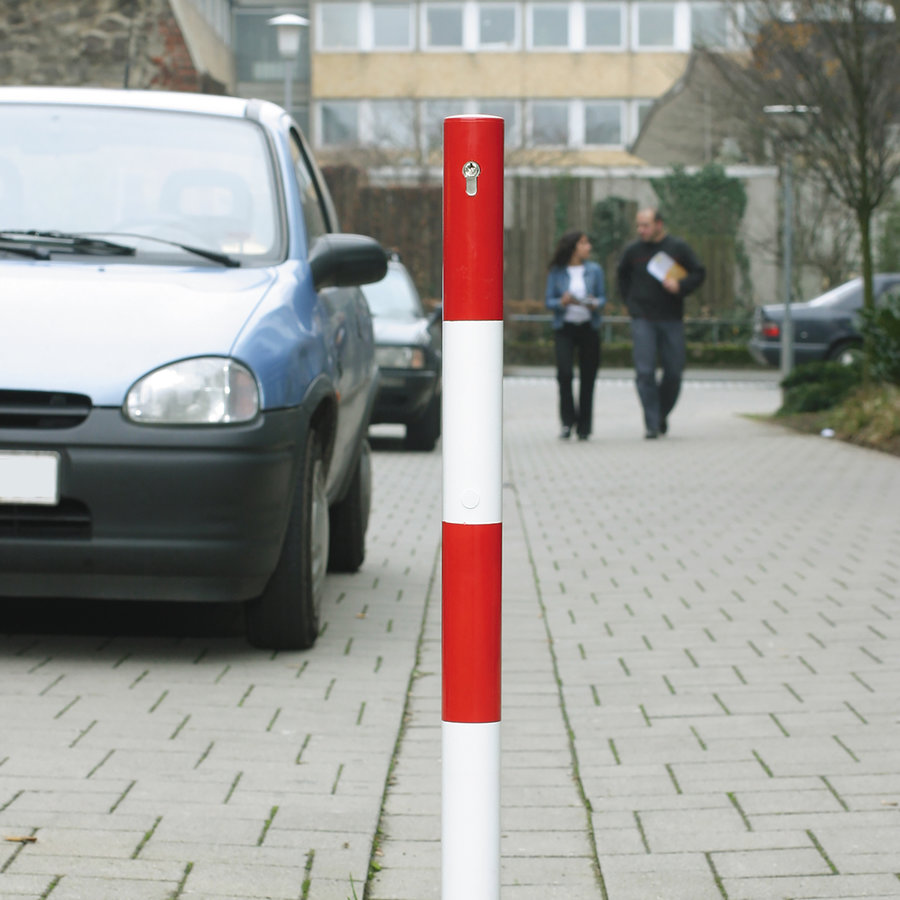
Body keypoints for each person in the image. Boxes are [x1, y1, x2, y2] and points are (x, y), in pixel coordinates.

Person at [616, 208, 705, 439]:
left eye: (645, 225)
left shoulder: (678, 248)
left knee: (674, 372)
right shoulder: (632, 251)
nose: (640, 230)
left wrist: (681, 286)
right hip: (643, 319)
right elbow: (622, 276)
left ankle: (661, 413)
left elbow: (698, 272)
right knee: (644, 372)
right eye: (638, 225)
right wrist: (630, 304)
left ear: (659, 224)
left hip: (671, 318)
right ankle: (652, 423)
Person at [545, 230, 606, 440]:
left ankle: (585, 426)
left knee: (588, 377)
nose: (588, 247)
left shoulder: (595, 270)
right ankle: (566, 422)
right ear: (573, 247)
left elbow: (602, 298)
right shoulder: (557, 271)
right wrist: (562, 302)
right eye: (583, 243)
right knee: (564, 375)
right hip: (565, 328)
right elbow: (548, 301)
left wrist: (594, 303)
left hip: (589, 328)